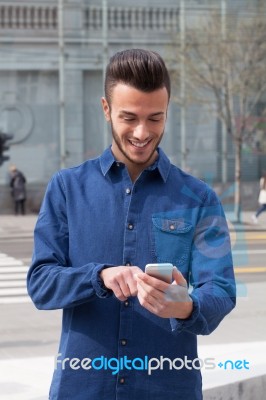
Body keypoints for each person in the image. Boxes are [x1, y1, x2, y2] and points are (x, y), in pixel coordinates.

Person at [27, 49, 236, 400]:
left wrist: (185, 306)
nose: (142, 132)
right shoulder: (67, 188)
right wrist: (98, 276)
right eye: (129, 118)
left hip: (169, 389)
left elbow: (221, 289)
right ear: (106, 109)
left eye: (155, 119)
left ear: (168, 112)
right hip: (83, 388)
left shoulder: (199, 198)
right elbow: (40, 283)